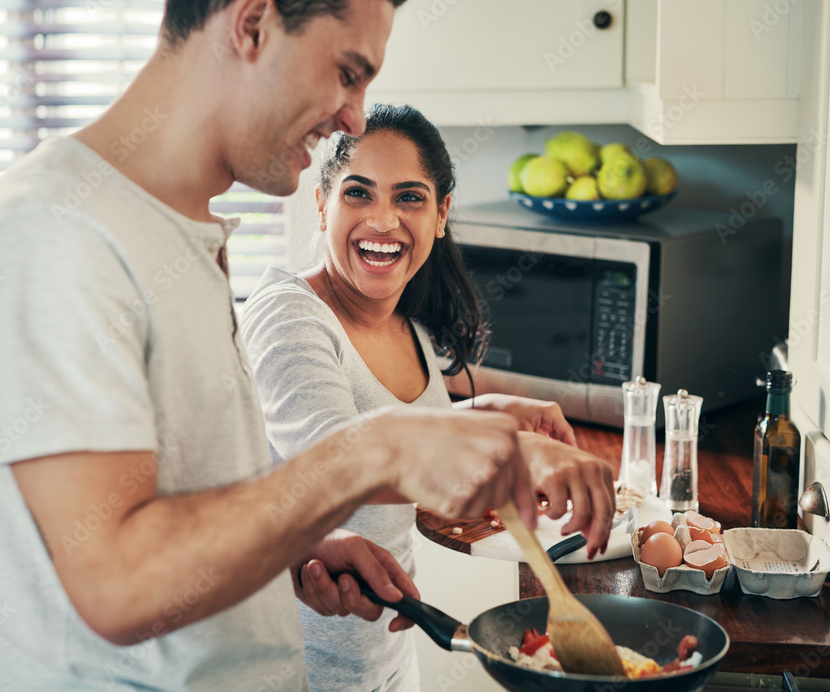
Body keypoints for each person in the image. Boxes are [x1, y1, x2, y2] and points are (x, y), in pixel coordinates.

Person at [0, 3, 542, 691]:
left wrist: (296, 548)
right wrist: (380, 447)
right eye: (347, 73)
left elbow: (174, 505)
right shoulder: (58, 233)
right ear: (253, 24)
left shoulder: (179, 234)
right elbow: (117, 583)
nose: (353, 118)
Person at [241, 104, 617, 691]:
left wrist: (489, 414)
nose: (384, 220)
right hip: (292, 669)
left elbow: (400, 426)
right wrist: (512, 453)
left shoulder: (406, 323)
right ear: (321, 205)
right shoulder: (288, 314)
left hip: (385, 657)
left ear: (441, 214)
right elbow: (337, 455)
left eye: (410, 198)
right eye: (358, 194)